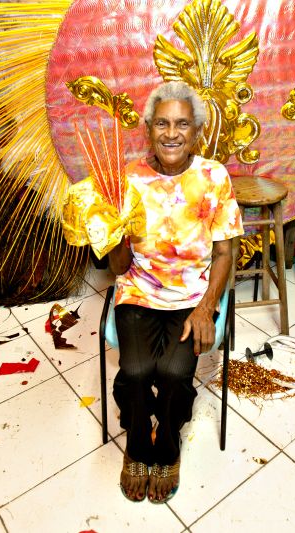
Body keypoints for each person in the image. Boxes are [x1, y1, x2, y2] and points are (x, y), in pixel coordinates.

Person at [107, 81, 243, 503]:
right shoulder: (128, 178)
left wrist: (206, 309)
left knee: (171, 373)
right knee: (134, 373)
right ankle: (136, 446)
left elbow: (225, 253)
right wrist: (112, 230)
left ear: (196, 131)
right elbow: (117, 267)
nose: (171, 133)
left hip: (193, 295)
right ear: (148, 129)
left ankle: (166, 446)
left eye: (182, 124)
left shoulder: (212, 176)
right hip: (140, 292)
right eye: (162, 123)